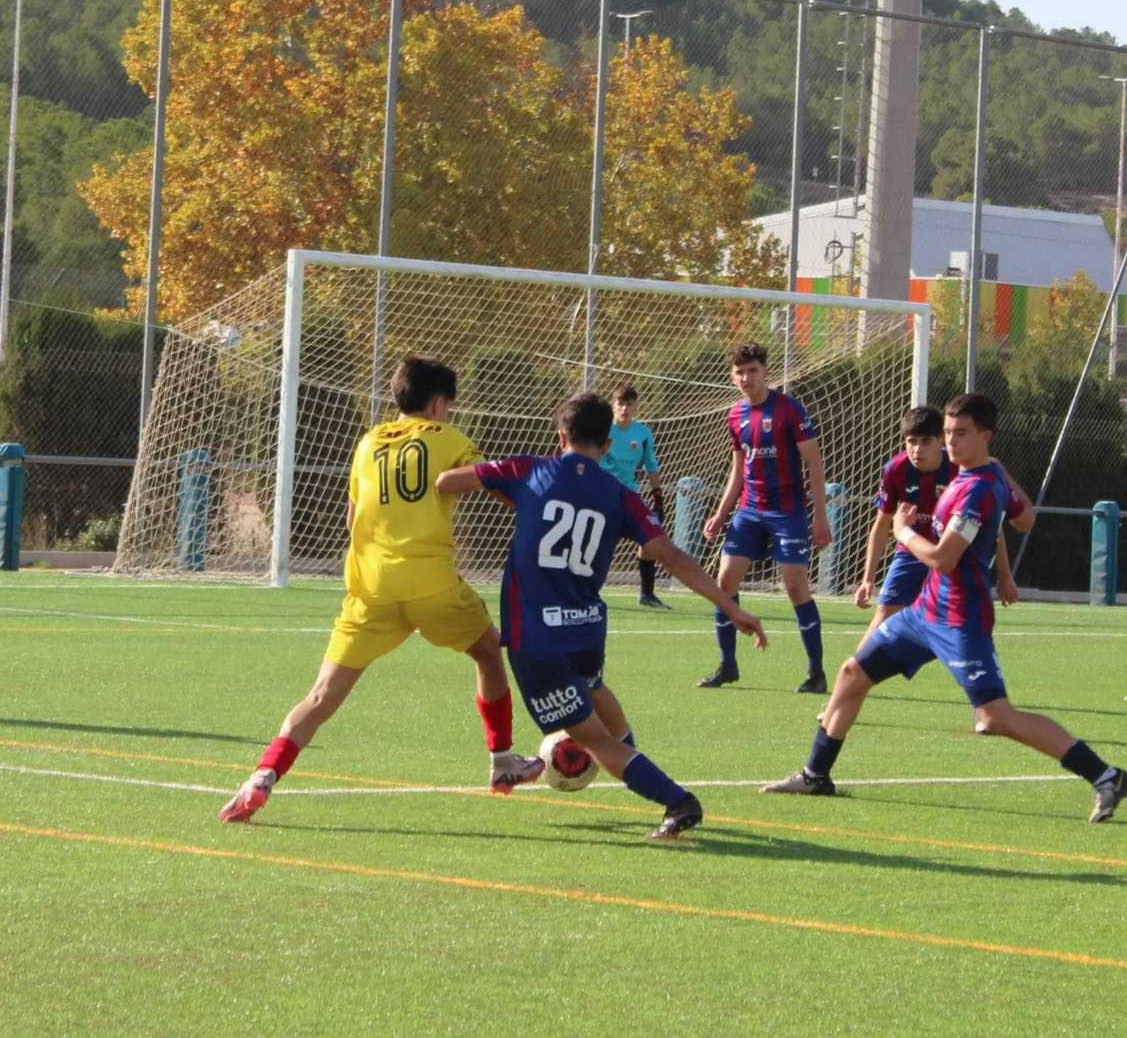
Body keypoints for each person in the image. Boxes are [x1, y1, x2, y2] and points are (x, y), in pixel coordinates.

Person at [762, 393, 1127, 825]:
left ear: (985, 436)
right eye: (947, 433)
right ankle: (815, 775)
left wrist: (903, 532)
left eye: (961, 434)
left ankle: (1106, 776)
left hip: (960, 620)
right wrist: (1000, 473)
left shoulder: (977, 490)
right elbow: (1025, 518)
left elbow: (943, 559)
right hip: (924, 612)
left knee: (995, 718)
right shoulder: (977, 475)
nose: (951, 442)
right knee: (852, 673)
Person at [218, 357, 545, 823]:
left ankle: (261, 778)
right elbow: (494, 484)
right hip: (431, 584)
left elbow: (353, 517)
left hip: (369, 588)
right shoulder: (448, 437)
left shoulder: (368, 442)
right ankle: (502, 761)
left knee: (320, 695)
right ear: (439, 404)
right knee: (489, 653)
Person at [437, 392, 768, 841]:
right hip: (587, 631)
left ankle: (677, 800)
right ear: (607, 445)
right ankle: (632, 760)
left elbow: (446, 482)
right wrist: (730, 606)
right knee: (591, 688)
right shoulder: (619, 495)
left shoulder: (528, 471)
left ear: (560, 436)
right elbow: (670, 555)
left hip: (538, 639)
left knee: (592, 739)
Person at [698, 342, 831, 694]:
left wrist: (820, 517)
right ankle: (727, 665)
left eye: (752, 371)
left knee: (795, 587)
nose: (746, 378)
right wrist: (721, 513)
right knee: (725, 583)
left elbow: (814, 463)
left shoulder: (789, 409)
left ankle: (816, 672)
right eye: (740, 372)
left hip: (788, 512)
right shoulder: (734, 415)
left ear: (765, 372)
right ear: (732, 377)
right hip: (749, 511)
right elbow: (738, 470)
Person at [854, 405, 1031, 647]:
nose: (917, 449)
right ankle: (857, 668)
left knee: (966, 624)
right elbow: (883, 524)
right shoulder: (895, 470)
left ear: (941, 441)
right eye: (911, 441)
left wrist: (1004, 575)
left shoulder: (962, 468)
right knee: (884, 613)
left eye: (926, 441)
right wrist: (867, 579)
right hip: (912, 552)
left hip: (957, 556)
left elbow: (993, 526)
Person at [604, 384, 672, 610]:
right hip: (603, 495)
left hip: (630, 496)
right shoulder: (603, 430)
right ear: (613, 405)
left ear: (636, 407)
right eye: (620, 404)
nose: (624, 409)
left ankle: (647, 594)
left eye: (629, 404)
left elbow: (651, 465)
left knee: (650, 538)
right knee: (601, 545)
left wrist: (658, 497)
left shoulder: (643, 433)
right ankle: (585, 591)